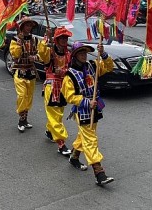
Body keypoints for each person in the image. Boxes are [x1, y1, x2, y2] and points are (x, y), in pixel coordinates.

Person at [61, 41, 114, 186]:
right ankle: (99, 172)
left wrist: (103, 54)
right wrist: (86, 102)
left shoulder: (92, 65)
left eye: (85, 53)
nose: (84, 55)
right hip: (83, 110)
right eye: (81, 53)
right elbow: (69, 96)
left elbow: (109, 67)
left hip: (95, 107)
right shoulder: (69, 76)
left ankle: (74, 156)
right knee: (90, 139)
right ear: (75, 56)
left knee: (84, 135)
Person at [38, 26, 73, 156]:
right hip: (52, 86)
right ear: (56, 39)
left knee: (58, 114)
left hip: (63, 86)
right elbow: (41, 53)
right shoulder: (50, 52)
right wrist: (46, 37)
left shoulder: (68, 54)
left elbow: (71, 70)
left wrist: (63, 72)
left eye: (66, 38)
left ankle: (49, 130)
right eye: (61, 38)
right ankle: (61, 143)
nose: (64, 40)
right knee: (54, 115)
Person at [9, 17, 44, 132]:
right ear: (22, 27)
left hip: (31, 71)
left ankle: (25, 119)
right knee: (22, 96)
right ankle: (21, 120)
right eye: (26, 25)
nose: (28, 28)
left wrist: (35, 57)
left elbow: (42, 54)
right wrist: (19, 44)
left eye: (30, 26)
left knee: (29, 97)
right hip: (20, 71)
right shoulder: (15, 39)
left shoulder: (35, 39)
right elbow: (15, 55)